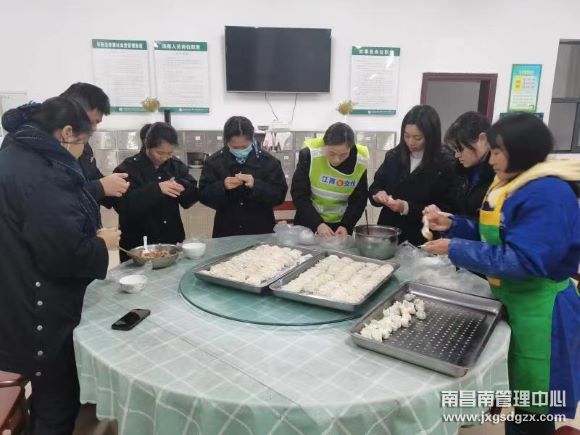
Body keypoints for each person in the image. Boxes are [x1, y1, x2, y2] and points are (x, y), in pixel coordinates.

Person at [423, 113, 580, 434]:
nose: (491, 159)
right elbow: (498, 237)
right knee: (520, 401)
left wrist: (454, 247)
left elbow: (523, 260)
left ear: (522, 151)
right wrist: (453, 224)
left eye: (497, 152)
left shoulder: (547, 193)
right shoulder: (513, 183)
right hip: (516, 303)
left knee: (533, 408)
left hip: (542, 312)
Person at [0, 97, 120, 434]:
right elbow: (63, 255)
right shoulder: (45, 174)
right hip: (38, 307)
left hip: (13, 292)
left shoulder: (13, 153)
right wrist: (101, 244)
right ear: (67, 133)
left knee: (44, 397)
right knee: (56, 402)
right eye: (84, 141)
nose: (82, 153)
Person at [369, 105, 457, 245]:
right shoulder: (394, 156)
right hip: (389, 232)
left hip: (422, 236)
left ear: (431, 136)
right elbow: (376, 185)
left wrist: (406, 207)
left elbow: (447, 208)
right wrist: (378, 194)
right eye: (406, 136)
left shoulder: (445, 163)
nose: (410, 142)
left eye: (417, 138)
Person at [113, 122, 198, 261]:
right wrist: (157, 189)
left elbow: (190, 199)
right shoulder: (127, 168)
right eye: (159, 153)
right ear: (147, 145)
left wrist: (184, 187)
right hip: (138, 243)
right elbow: (123, 206)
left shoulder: (175, 166)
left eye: (169, 153)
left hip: (171, 240)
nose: (164, 158)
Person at [199, 116, 287, 237]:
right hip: (226, 230)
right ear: (226, 141)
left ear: (252, 139)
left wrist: (256, 185)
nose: (240, 150)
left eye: (244, 147)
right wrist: (222, 186)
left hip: (260, 229)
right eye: (235, 147)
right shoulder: (214, 162)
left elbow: (279, 196)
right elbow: (203, 195)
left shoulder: (269, 162)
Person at [291, 122, 368, 236]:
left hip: (340, 225)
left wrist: (346, 225)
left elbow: (359, 199)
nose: (337, 160)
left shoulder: (360, 160)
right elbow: (299, 194)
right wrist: (317, 224)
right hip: (309, 220)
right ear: (324, 144)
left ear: (350, 149)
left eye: (343, 155)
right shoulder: (310, 154)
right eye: (332, 153)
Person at [60, 83, 130, 203]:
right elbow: (56, 196)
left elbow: (93, 177)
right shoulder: (40, 150)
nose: (93, 128)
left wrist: (118, 185)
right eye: (90, 122)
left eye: (97, 123)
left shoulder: (83, 144)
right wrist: (100, 187)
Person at [435, 111, 494, 219]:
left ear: (482, 139)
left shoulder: (498, 174)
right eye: (455, 150)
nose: (456, 155)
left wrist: (454, 222)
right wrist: (439, 213)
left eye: (460, 149)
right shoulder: (460, 169)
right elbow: (454, 206)